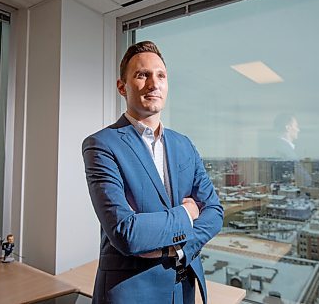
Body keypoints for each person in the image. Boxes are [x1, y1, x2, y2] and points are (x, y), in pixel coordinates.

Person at [82, 41, 223, 304]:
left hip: (183, 291)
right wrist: (187, 214)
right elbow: (126, 232)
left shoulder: (184, 145)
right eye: (142, 75)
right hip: (131, 293)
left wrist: (176, 249)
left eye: (161, 75)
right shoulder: (101, 145)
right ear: (122, 87)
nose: (153, 83)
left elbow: (214, 212)